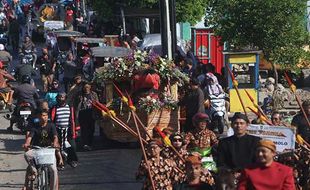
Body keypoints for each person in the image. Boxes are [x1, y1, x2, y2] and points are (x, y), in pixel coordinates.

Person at [22, 109, 59, 190]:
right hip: (37, 150)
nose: (44, 117)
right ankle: (34, 170)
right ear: (38, 117)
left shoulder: (51, 126)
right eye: (42, 115)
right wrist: (27, 144)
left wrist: (55, 143)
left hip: (49, 150)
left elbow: (55, 137)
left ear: (47, 117)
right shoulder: (35, 127)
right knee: (27, 154)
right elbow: (30, 137)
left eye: (45, 116)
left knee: (54, 170)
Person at [50, 92, 79, 168]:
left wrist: (76, 129)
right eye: (59, 97)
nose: (60, 98)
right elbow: (52, 120)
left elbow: (74, 118)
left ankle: (72, 160)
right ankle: (60, 162)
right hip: (58, 130)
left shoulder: (70, 107)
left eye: (62, 97)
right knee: (58, 147)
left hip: (68, 130)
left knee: (72, 146)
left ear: (65, 98)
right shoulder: (54, 108)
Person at [74, 82, 98, 151]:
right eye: (85, 87)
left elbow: (97, 103)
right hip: (82, 113)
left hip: (91, 113)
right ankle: (85, 144)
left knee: (91, 129)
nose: (86, 89)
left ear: (90, 87)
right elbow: (76, 104)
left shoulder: (94, 94)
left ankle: (90, 143)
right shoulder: (79, 95)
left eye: (87, 87)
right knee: (84, 129)